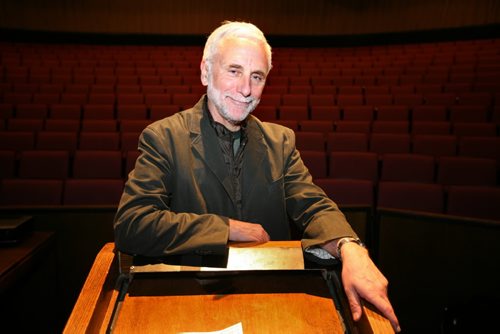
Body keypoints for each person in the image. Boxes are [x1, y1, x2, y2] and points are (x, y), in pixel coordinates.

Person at [114, 20, 400, 332]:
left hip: (272, 300)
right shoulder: (163, 137)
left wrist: (349, 246)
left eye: (257, 76)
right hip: (189, 300)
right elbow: (133, 223)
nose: (246, 89)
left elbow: (313, 205)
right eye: (234, 71)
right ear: (205, 72)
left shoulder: (281, 141)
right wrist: (225, 228)